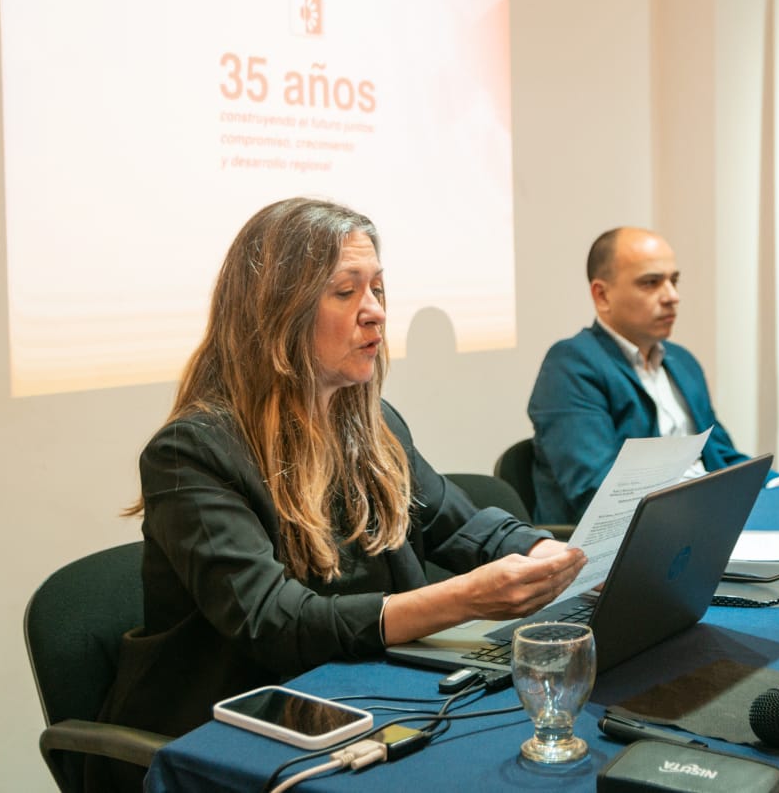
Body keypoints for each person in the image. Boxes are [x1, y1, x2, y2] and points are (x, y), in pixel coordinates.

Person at [92, 199, 585, 791]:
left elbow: (460, 525)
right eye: (345, 292)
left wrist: (542, 553)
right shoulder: (191, 453)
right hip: (236, 734)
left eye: (378, 288)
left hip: (361, 697)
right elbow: (275, 625)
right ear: (276, 312)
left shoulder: (372, 425)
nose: (375, 312)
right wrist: (463, 600)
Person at [527, 227, 779, 525]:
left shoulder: (681, 362)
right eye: (650, 283)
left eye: (674, 280)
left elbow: (719, 455)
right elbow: (597, 491)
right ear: (602, 295)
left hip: (704, 524)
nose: (672, 296)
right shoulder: (571, 365)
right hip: (632, 546)